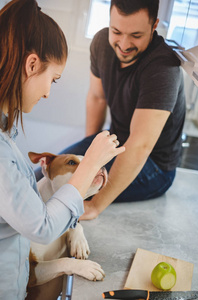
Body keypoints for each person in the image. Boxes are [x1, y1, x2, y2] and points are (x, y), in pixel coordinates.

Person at [0, 1, 125, 299]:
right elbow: (41, 227)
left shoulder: (8, 138)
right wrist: (89, 164)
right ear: (32, 65)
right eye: (52, 79)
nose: (47, 92)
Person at [60, 0, 186, 220]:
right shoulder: (101, 42)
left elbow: (140, 146)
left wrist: (95, 205)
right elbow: (97, 98)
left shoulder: (164, 68)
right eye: (116, 31)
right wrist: (91, 151)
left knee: (63, 193)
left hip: (154, 165)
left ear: (154, 25)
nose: (124, 44)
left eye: (136, 35)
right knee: (47, 176)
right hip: (115, 142)